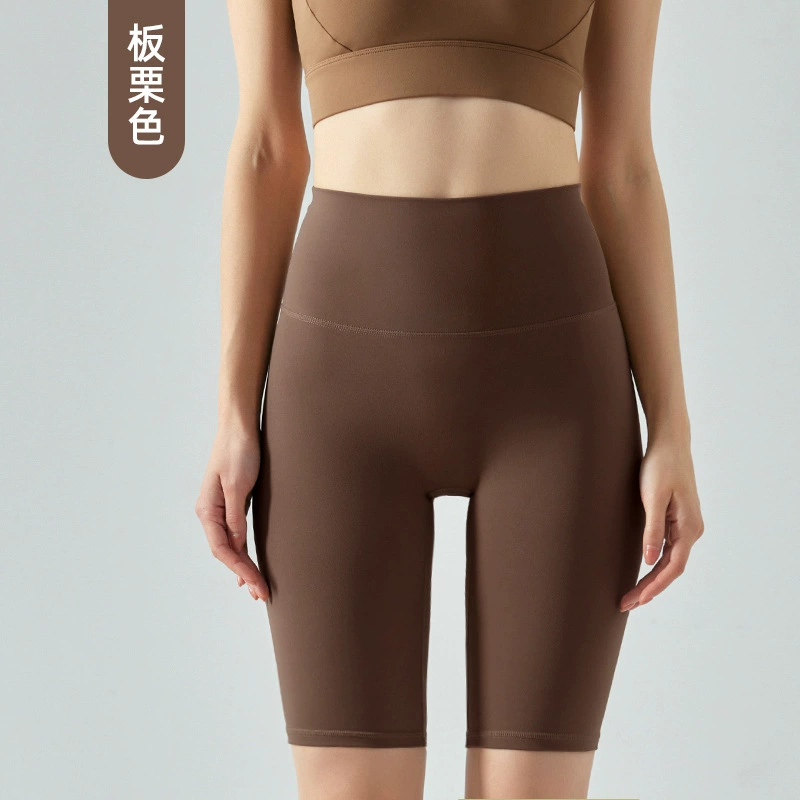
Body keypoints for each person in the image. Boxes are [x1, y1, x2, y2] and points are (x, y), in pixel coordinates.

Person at [195, 1, 705, 797]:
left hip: (557, 391)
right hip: (338, 393)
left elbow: (624, 164)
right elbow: (265, 145)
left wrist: (672, 425)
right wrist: (232, 411)